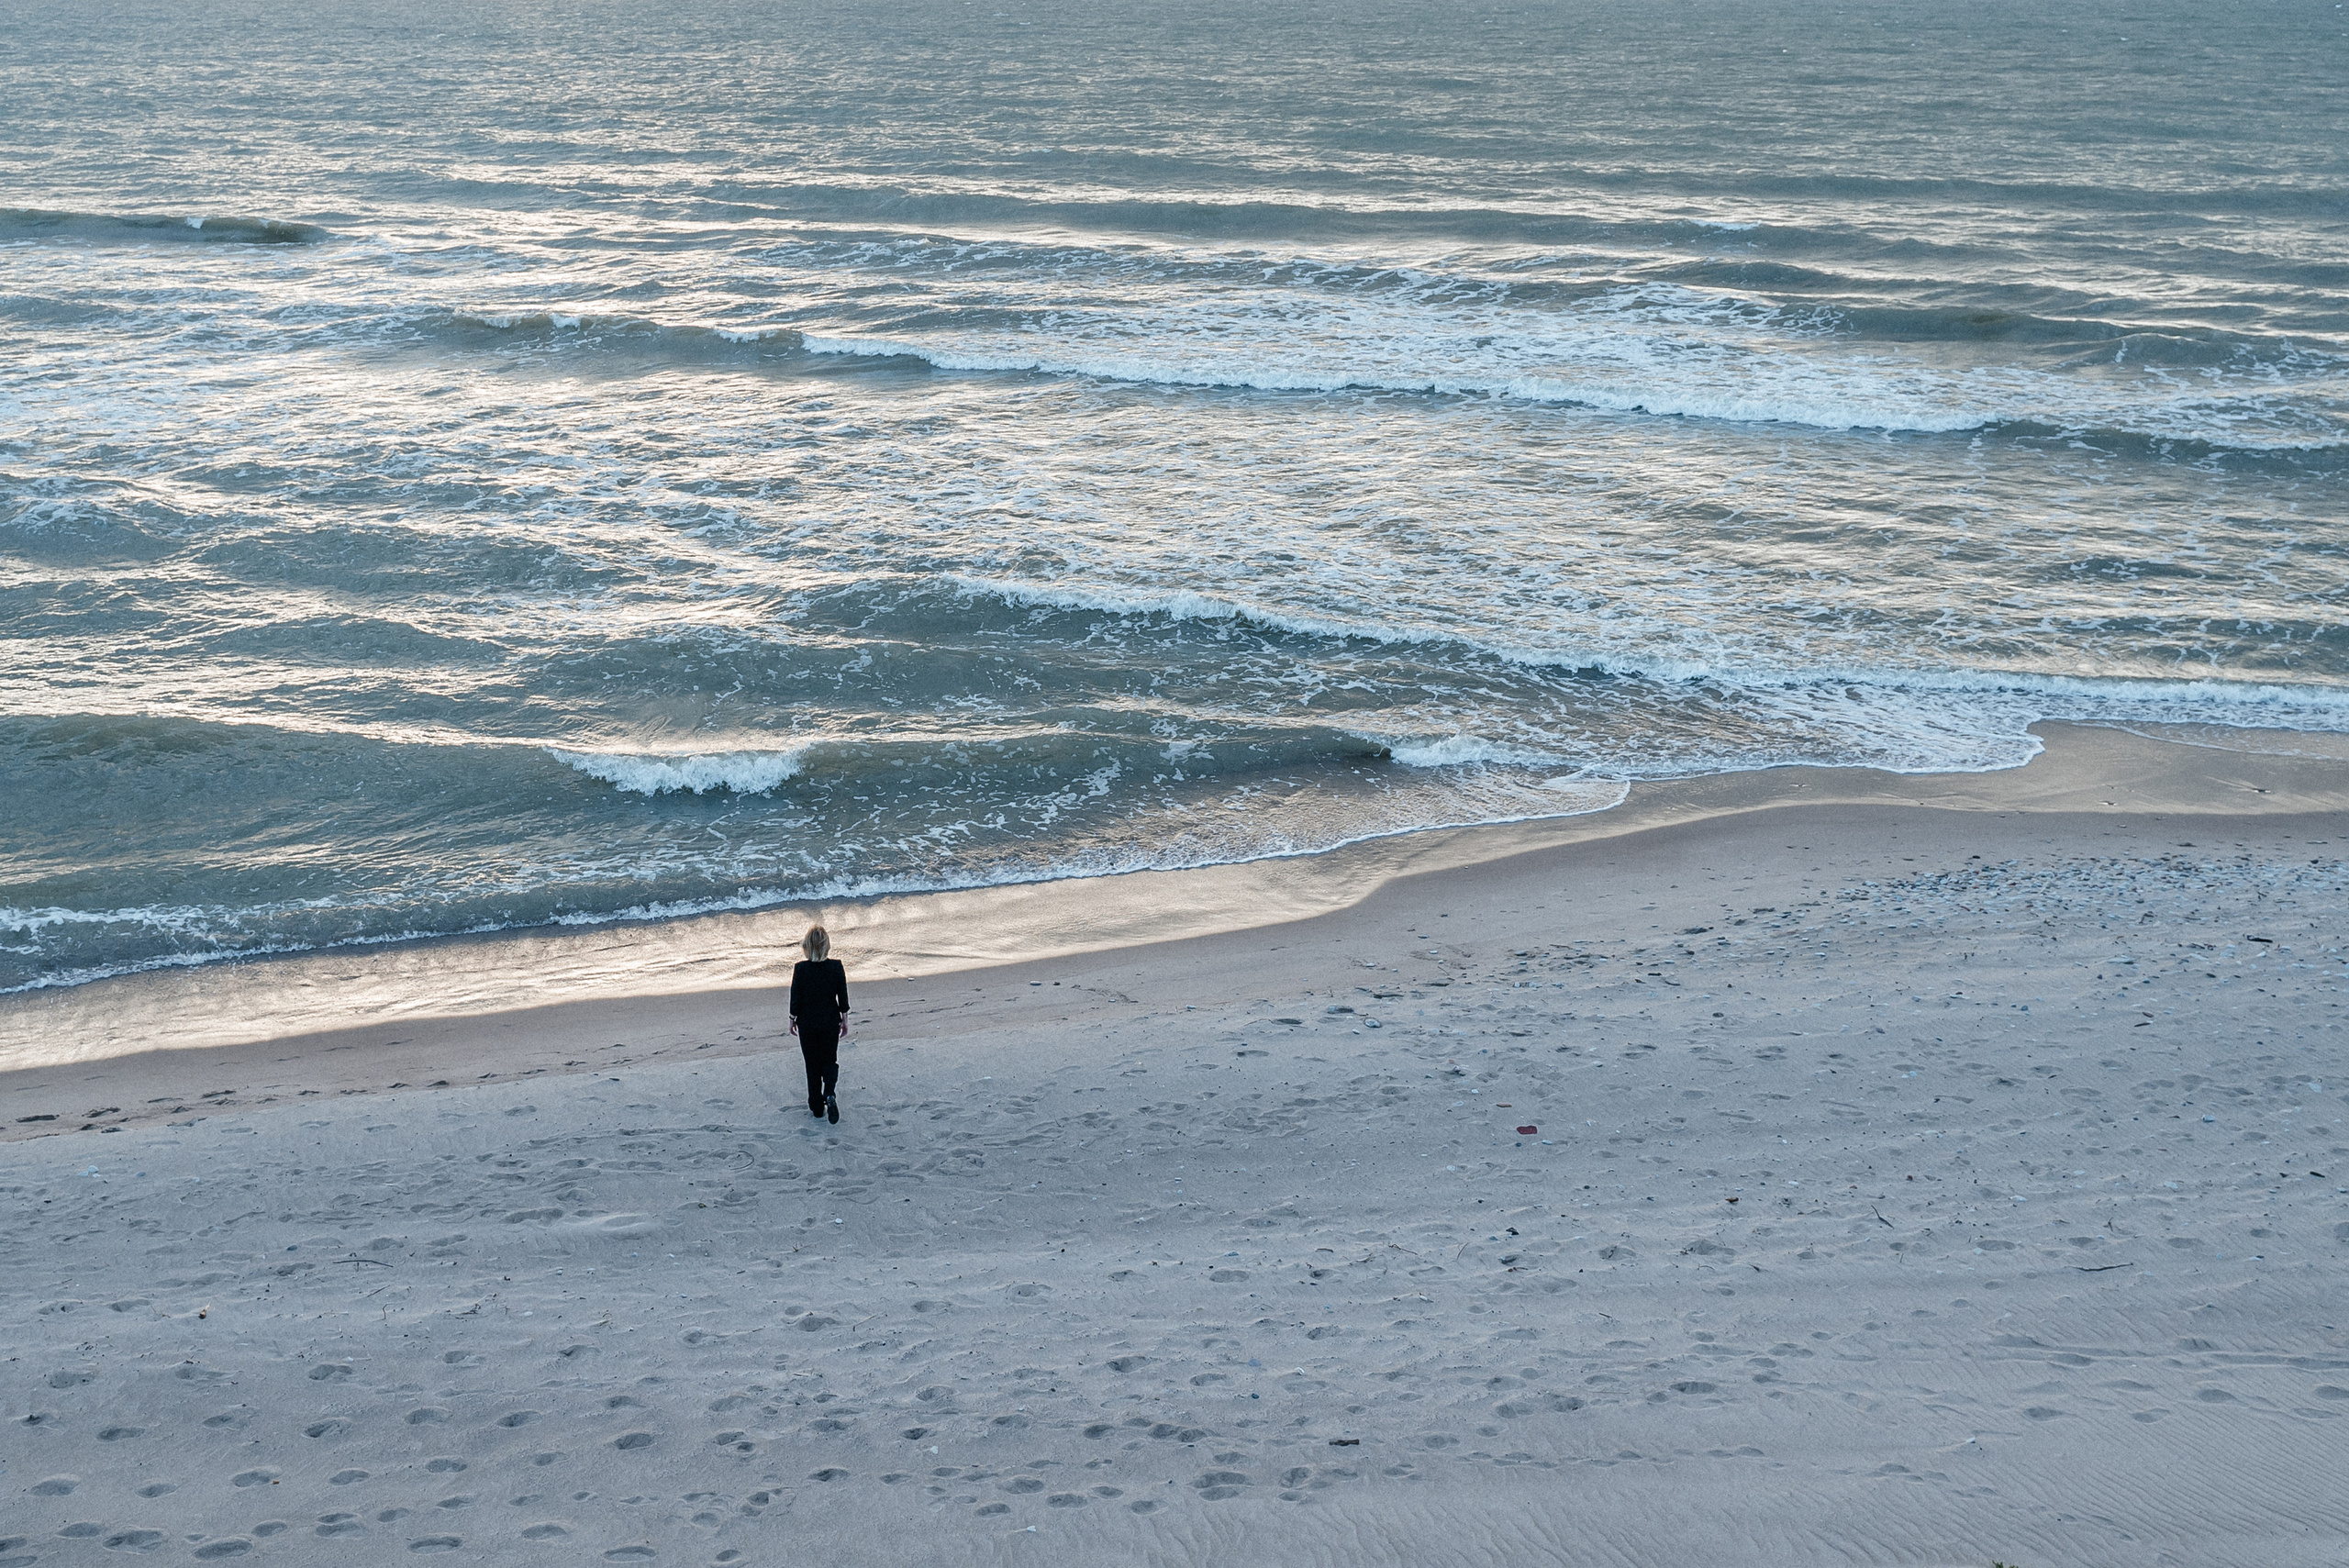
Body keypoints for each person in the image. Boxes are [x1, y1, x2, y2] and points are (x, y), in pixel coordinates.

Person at [789, 924, 851, 1123]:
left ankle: (817, 1107)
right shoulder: (836, 967)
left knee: (812, 1064)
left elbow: (795, 999)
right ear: (827, 946)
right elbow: (842, 996)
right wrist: (845, 1020)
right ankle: (830, 1093)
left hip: (807, 1023)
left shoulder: (801, 969)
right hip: (829, 1020)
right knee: (829, 1059)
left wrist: (792, 1019)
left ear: (807, 946)